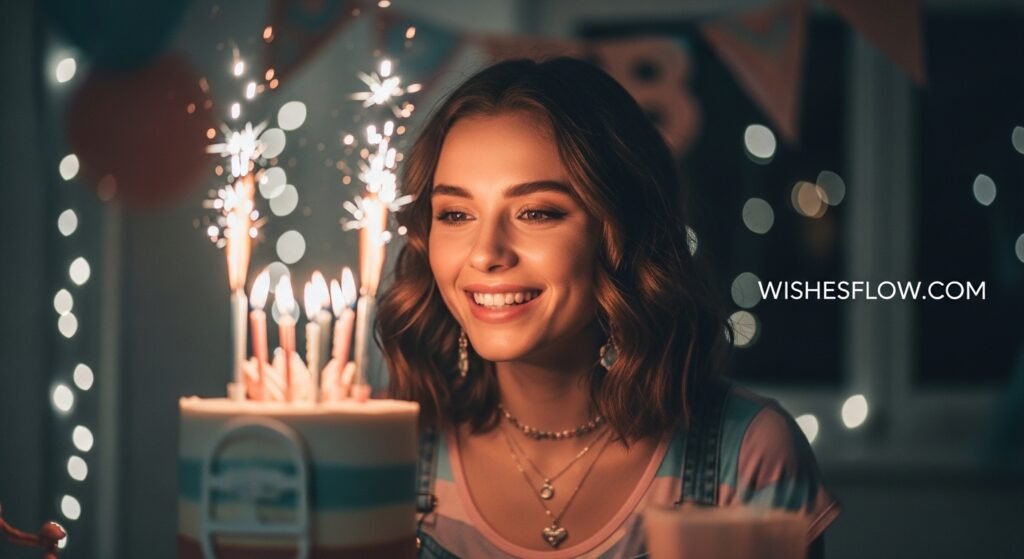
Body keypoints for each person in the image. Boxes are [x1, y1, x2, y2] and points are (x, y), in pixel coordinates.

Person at [377, 57, 841, 559]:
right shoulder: (382, 451)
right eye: (456, 214)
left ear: (619, 232)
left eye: (537, 213)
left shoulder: (749, 455)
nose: (486, 253)